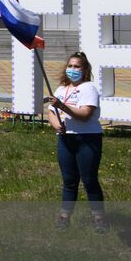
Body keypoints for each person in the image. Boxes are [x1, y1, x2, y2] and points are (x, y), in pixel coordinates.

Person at [44, 52, 107, 233]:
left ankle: (99, 219)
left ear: (85, 69)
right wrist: (57, 125)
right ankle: (64, 218)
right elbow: (51, 112)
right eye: (70, 66)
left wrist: (62, 106)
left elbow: (85, 115)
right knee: (69, 181)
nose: (73, 70)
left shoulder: (89, 89)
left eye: (77, 66)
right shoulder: (62, 89)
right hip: (66, 139)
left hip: (87, 139)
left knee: (89, 180)